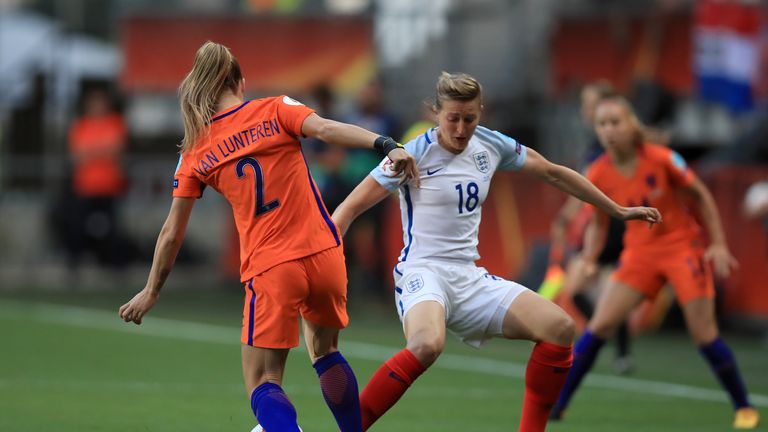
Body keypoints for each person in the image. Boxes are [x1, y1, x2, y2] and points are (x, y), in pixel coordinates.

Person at [331, 72, 660, 432]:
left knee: (560, 328)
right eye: (452, 118)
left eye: (469, 119)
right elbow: (347, 211)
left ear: (480, 113)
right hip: (422, 271)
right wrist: (327, 258)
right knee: (427, 344)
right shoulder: (412, 154)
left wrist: (616, 209)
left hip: (469, 277)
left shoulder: (491, 144)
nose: (460, 128)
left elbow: (553, 173)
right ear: (435, 113)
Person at [117, 41, 418, 432]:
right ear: (240, 82)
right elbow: (327, 129)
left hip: (273, 266)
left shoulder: (194, 149)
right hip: (326, 253)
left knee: (263, 382)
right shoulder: (276, 108)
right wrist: (386, 145)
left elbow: (173, 231)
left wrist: (152, 290)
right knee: (326, 353)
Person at [550, 94, 760, 430]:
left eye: (615, 122)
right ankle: (558, 406)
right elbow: (598, 223)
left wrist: (718, 244)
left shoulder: (662, 159)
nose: (609, 130)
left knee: (704, 335)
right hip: (639, 254)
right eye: (602, 124)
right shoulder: (599, 171)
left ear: (632, 125)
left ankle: (744, 407)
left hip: (682, 249)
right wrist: (589, 258)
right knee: (599, 326)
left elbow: (702, 197)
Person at [545, 81, 634, 374]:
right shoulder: (596, 145)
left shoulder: (610, 146)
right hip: (604, 223)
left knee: (583, 287)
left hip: (613, 226)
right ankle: (616, 346)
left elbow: (593, 188)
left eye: (590, 103)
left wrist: (567, 214)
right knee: (603, 292)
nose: (585, 109)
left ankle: (607, 336)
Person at [66, 86, 129, 269]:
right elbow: (77, 155)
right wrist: (101, 150)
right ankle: (75, 265)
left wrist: (92, 151)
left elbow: (115, 149)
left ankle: (113, 265)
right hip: (85, 187)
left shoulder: (115, 123)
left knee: (112, 228)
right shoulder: (81, 125)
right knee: (78, 227)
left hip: (110, 186)